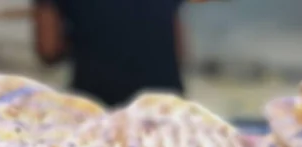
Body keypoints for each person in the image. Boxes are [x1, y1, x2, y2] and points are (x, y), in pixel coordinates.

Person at [33, 0, 188, 107]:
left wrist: (82, 38)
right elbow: (179, 47)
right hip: (166, 102)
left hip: (98, 104)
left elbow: (49, 49)